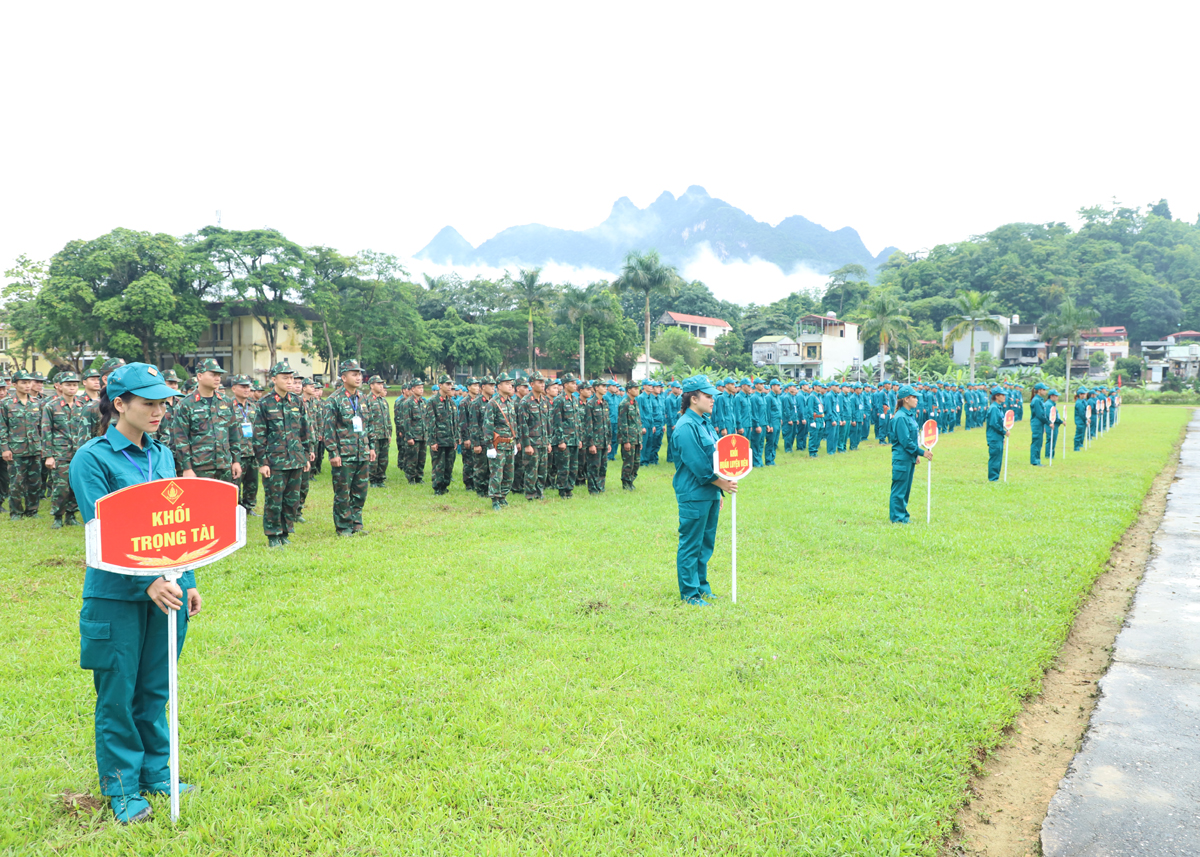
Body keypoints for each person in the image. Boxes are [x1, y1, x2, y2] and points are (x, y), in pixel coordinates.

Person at [68, 363, 200, 824]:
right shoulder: (93, 458)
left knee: (154, 689)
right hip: (117, 597)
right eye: (148, 403)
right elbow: (100, 532)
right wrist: (147, 581)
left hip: (168, 593)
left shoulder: (161, 455)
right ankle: (124, 789)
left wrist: (188, 579)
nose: (159, 411)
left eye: (163, 403)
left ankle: (157, 775)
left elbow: (175, 529)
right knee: (118, 695)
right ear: (119, 404)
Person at [671, 375, 738, 606]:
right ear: (693, 398)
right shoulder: (686, 426)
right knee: (691, 543)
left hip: (708, 493)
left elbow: (716, 458)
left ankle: (702, 586)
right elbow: (699, 464)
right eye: (708, 396)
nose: (712, 401)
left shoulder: (704, 422)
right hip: (694, 494)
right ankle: (690, 593)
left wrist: (717, 491)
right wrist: (721, 484)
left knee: (705, 543)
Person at [253, 363, 311, 547]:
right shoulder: (265, 403)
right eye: (285, 377)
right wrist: (263, 462)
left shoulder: (297, 401)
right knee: (274, 499)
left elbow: (304, 431)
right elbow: (258, 435)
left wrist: (306, 455)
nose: (289, 381)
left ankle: (285, 532)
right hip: (275, 461)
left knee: (292, 500)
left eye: (291, 377)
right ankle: (273, 534)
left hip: (295, 460)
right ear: (274, 379)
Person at [323, 360, 377, 536]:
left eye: (360, 374)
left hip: (362, 452)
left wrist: (371, 447)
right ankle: (343, 526)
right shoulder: (334, 400)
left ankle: (356, 524)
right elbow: (328, 429)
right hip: (344, 455)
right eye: (354, 374)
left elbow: (368, 425)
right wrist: (333, 452)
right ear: (344, 377)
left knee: (360, 491)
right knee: (342, 493)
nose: (359, 377)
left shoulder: (362, 398)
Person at [170, 359, 243, 485]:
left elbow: (233, 433)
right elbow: (181, 439)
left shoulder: (226, 402)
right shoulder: (186, 404)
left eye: (219, 375)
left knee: (224, 504)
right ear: (199, 376)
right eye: (213, 374)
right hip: (199, 468)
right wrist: (187, 468)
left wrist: (236, 461)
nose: (217, 378)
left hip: (224, 466)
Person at [41, 370, 83, 527]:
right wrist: (48, 455)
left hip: (78, 453)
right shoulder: (51, 406)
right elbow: (46, 431)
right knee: (61, 486)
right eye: (68, 385)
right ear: (61, 386)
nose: (72, 388)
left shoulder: (82, 406)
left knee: (75, 485)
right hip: (60, 453)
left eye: (74, 385)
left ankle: (71, 516)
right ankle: (58, 516)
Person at [1, 369, 45, 518]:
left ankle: (32, 510)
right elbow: (2, 427)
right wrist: (5, 448)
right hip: (16, 449)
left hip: (34, 448)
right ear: (14, 384)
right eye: (23, 382)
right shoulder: (6, 404)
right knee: (16, 483)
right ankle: (16, 512)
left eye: (29, 382)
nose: (27, 385)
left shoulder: (37, 403)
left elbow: (42, 428)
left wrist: (43, 447)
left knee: (35, 482)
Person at [889, 384, 933, 523]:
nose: (917, 400)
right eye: (914, 397)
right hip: (902, 458)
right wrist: (921, 452)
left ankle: (902, 516)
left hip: (909, 457)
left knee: (906, 489)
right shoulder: (901, 417)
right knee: (899, 489)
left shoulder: (908, 415)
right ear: (906, 399)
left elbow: (912, 439)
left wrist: (915, 455)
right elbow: (905, 441)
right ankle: (897, 518)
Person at [483, 372, 518, 509]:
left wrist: (514, 441)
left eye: (511, 383)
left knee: (509, 474)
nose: (510, 386)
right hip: (498, 445)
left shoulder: (510, 402)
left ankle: (503, 496)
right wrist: (490, 446)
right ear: (499, 386)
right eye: (507, 383)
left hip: (509, 443)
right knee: (497, 474)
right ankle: (495, 499)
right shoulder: (493, 403)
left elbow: (513, 424)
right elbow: (488, 425)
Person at [426, 374, 459, 495]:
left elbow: (455, 422)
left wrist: (456, 438)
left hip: (450, 440)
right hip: (439, 440)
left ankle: (445, 485)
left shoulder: (452, 403)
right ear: (440, 385)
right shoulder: (432, 402)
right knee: (438, 465)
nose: (450, 387)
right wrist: (433, 441)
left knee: (449, 465)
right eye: (448, 384)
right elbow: (430, 422)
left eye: (451, 384)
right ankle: (438, 487)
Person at [366, 376, 392, 488]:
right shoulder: (367, 400)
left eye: (382, 384)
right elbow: (366, 420)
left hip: (384, 434)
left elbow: (388, 418)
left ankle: (380, 479)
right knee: (373, 459)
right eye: (378, 384)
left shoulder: (383, 401)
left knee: (383, 459)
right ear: (372, 385)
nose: (381, 386)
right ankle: (372, 480)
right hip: (374, 435)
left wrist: (389, 433)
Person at [618, 381, 644, 489]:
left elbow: (637, 422)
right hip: (629, 438)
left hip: (636, 438)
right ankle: (626, 483)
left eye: (637, 388)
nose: (637, 390)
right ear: (629, 390)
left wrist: (640, 440)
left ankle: (631, 480)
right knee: (629, 462)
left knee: (636, 463)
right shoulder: (624, 404)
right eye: (635, 388)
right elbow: (623, 424)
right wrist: (626, 441)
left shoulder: (635, 403)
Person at [985, 385, 1008, 482]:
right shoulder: (994, 408)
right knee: (995, 457)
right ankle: (993, 478)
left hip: (998, 437)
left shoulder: (998, 407)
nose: (1004, 397)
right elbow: (994, 423)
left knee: (998, 457)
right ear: (997, 396)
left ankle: (996, 477)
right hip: (994, 437)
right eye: (1002, 395)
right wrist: (1004, 432)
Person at [1028, 382, 1048, 466]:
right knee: (1036, 442)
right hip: (1037, 423)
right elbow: (1040, 414)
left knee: (1039, 442)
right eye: (1044, 390)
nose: (1045, 392)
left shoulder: (1039, 399)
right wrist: (1048, 422)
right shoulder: (1036, 400)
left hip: (1040, 423)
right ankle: (1034, 460)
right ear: (1039, 390)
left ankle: (1037, 459)